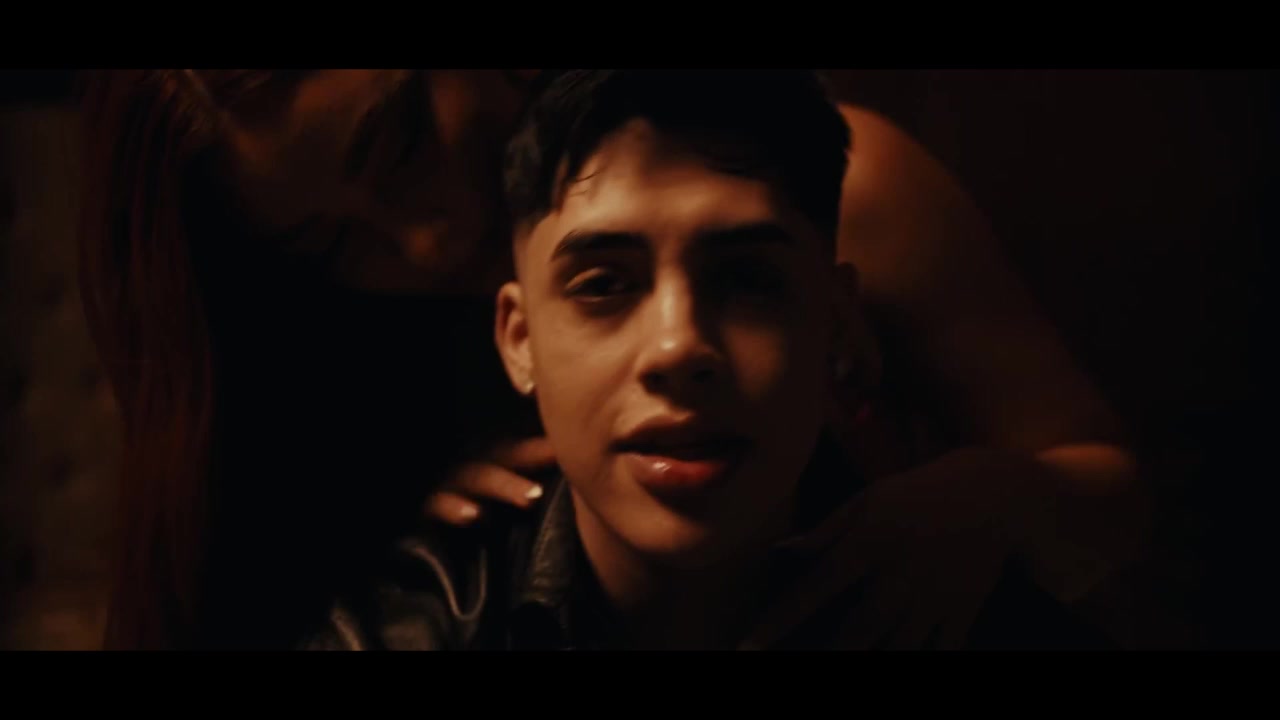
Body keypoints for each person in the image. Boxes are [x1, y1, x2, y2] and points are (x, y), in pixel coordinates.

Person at [78, 69, 1145, 650]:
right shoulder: (357, 363)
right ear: (515, 335)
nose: (424, 240)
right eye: (333, 243)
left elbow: (1112, 489)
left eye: (398, 141)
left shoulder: (838, 191)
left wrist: (988, 498)